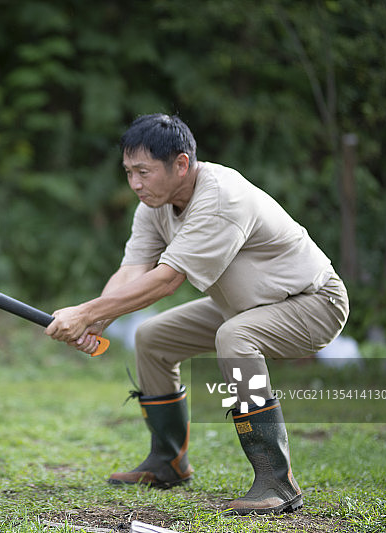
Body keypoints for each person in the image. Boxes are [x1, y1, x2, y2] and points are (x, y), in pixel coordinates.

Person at [45, 113, 349, 515]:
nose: (135, 183)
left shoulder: (221, 197)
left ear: (182, 164)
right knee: (152, 337)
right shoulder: (155, 204)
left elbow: (166, 281)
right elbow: (132, 272)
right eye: (128, 172)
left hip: (314, 303)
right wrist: (98, 320)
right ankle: (168, 462)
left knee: (235, 337)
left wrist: (84, 313)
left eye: (143, 171)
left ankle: (277, 481)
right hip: (244, 307)